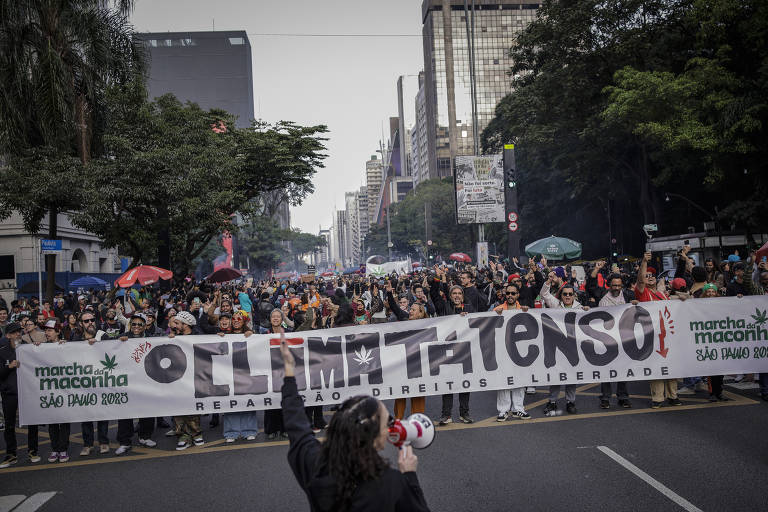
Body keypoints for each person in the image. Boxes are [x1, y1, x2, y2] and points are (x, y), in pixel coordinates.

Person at [278, 329, 430, 512]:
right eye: (386, 422)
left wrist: (289, 369)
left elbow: (296, 423)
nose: (390, 427)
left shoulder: (315, 464)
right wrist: (410, 477)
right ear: (375, 438)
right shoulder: (391, 483)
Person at [429, 265, 475, 425]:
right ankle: (446, 415)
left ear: (463, 296)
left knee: (464, 385)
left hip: (464, 352)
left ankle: (465, 413)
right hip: (447, 352)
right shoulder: (444, 308)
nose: (456, 296)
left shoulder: (470, 308)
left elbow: (482, 322)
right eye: (454, 293)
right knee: (448, 384)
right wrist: (438, 278)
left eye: (459, 293)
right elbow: (434, 295)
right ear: (450, 296)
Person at [635, 252, 681, 408]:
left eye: (652, 275)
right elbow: (640, 281)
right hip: (652, 336)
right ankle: (658, 398)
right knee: (656, 367)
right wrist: (644, 262)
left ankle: (673, 396)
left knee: (671, 366)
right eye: (646, 275)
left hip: (668, 335)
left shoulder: (662, 294)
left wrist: (682, 297)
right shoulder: (642, 293)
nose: (649, 277)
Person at [540, 278, 588, 415]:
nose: (567, 296)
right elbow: (544, 294)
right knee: (556, 375)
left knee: (571, 376)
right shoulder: (556, 305)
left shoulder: (580, 308)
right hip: (557, 347)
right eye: (565, 294)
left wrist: (587, 311)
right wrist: (548, 281)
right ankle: (552, 401)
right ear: (561, 296)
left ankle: (570, 402)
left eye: (570, 294)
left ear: (574, 295)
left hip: (573, 348)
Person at [113, 313, 159, 455]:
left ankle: (145, 436)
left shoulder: (151, 338)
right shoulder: (122, 337)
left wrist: (170, 338)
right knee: (125, 412)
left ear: (145, 326)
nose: (136, 327)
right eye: (134, 324)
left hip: (146, 380)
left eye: (140, 324)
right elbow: (107, 347)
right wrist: (118, 342)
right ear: (130, 325)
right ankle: (124, 441)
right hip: (127, 381)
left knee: (148, 410)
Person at [68, 311, 112, 455]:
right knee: (86, 415)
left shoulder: (102, 335)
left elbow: (115, 349)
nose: (90, 323)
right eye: (86, 321)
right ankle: (87, 445)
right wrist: (61, 345)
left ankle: (104, 443)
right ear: (81, 323)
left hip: (100, 380)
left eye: (92, 320)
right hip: (84, 382)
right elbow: (68, 354)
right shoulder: (76, 337)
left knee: (102, 414)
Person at [167, 311, 206, 450]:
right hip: (177, 379)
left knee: (192, 407)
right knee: (179, 406)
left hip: (193, 378)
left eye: (177, 323)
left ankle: (196, 434)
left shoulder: (198, 337)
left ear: (186, 324)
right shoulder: (173, 337)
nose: (174, 325)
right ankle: (183, 435)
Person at [493, 284, 532, 420]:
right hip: (502, 350)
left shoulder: (524, 310)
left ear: (517, 295)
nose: (510, 295)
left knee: (520, 379)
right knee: (503, 380)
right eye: (508, 293)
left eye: (513, 293)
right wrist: (494, 316)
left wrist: (527, 313)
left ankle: (518, 408)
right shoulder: (497, 310)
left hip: (520, 351)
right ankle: (503, 410)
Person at [0, 322, 34, 468]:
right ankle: (11, 454)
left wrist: (39, 347)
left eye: (19, 332)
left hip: (27, 392)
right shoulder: (2, 350)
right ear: (7, 335)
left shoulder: (26, 345)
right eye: (14, 332)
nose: (18, 334)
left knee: (33, 423)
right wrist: (9, 367)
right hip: (9, 393)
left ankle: (33, 451)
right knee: (9, 425)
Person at [42, 320, 71, 463]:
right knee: (52, 421)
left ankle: (63, 449)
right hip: (50, 390)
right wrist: (34, 349)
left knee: (64, 420)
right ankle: (55, 449)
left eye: (50, 330)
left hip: (65, 389)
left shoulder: (66, 345)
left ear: (58, 332)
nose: (47, 333)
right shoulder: (42, 347)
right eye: (46, 330)